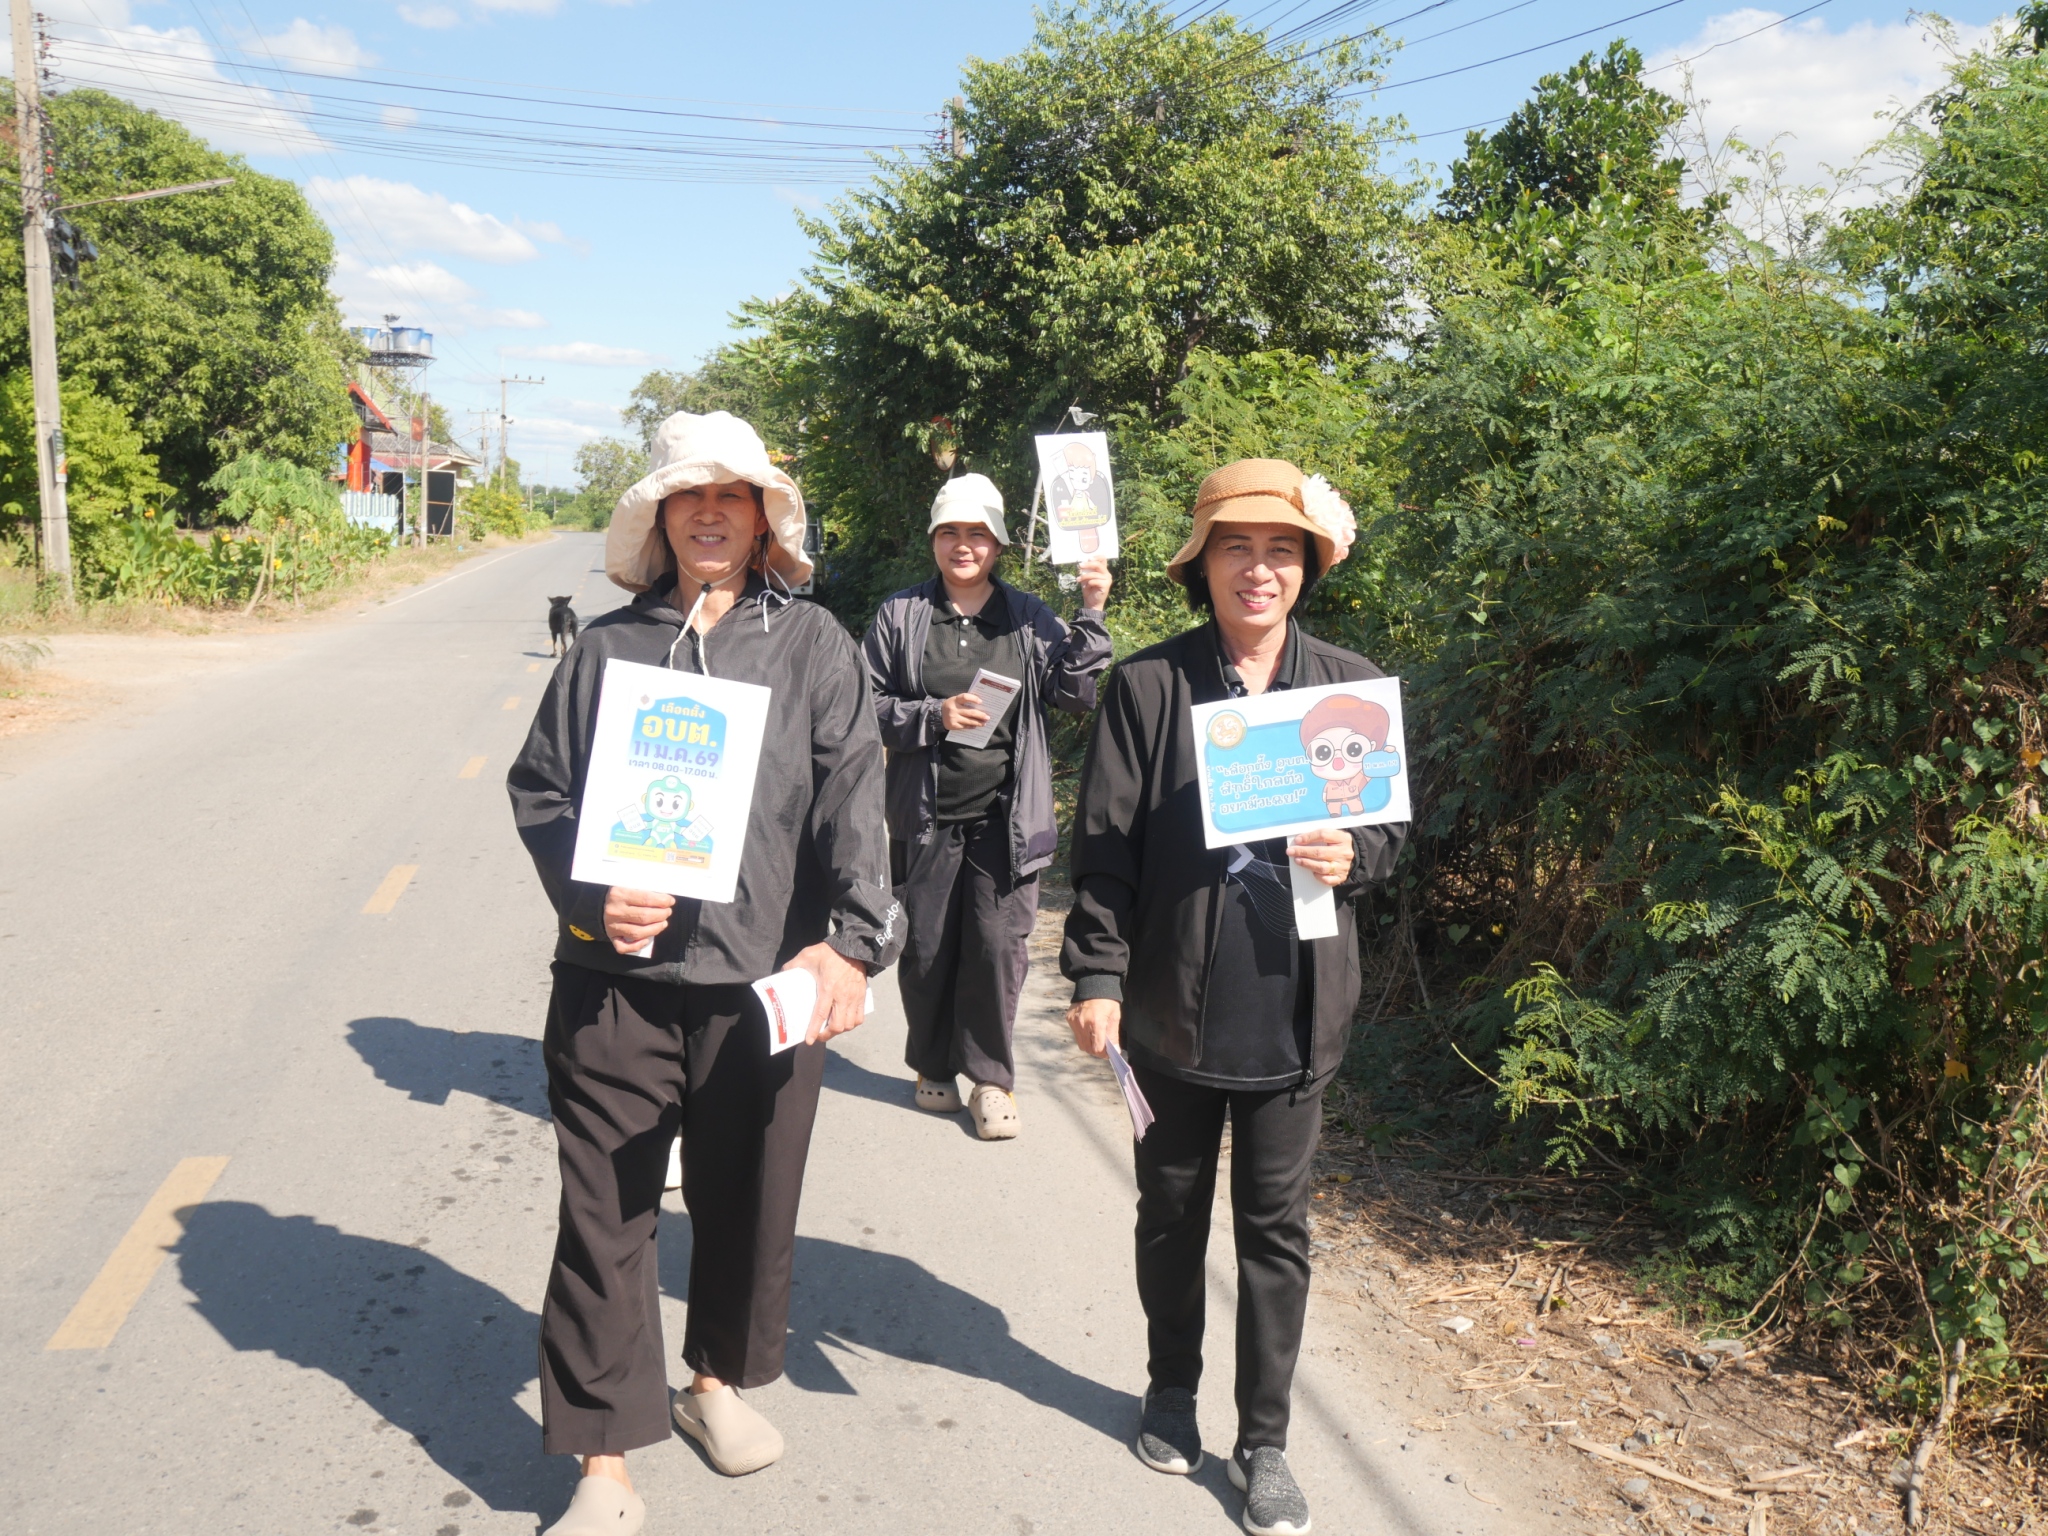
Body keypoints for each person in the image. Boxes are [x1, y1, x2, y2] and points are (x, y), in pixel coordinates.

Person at [507, 411, 902, 1536]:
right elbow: (540, 790)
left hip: (760, 986)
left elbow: (851, 797)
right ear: (663, 519)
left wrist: (851, 939)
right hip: (611, 987)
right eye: (691, 498)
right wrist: (591, 898)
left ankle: (712, 1382)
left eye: (734, 497)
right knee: (604, 1217)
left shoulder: (813, 643)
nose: (712, 514)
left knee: (749, 1202)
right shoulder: (605, 648)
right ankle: (601, 1461)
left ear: (765, 518)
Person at [1060, 458, 1408, 1536]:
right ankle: (1170, 1390)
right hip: (1167, 1007)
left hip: (1293, 1010)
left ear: (1305, 568)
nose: (1257, 570)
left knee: (1275, 1231)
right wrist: (1097, 976)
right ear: (1200, 564)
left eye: (1279, 550)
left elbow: (1392, 837)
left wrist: (1354, 854)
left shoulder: (1344, 690)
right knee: (1166, 1214)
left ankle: (1264, 1442)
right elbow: (1104, 850)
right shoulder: (1149, 688)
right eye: (1234, 547)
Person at [863, 473, 1112, 1139]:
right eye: (951, 533)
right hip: (923, 815)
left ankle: (994, 1081)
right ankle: (933, 1064)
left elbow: (1075, 693)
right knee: (926, 950)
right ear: (934, 542)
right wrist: (933, 715)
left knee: (998, 952)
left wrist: (1091, 608)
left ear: (999, 544)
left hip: (1006, 818)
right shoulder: (902, 615)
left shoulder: (1028, 617)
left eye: (977, 534)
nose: (963, 545)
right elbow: (867, 709)